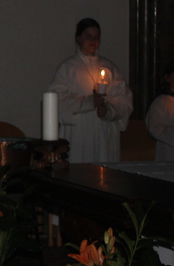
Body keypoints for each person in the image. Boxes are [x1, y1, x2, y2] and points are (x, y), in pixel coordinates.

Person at [48, 18, 133, 163]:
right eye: (89, 36)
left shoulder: (109, 68)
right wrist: (88, 103)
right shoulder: (68, 68)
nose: (93, 40)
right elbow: (57, 101)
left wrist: (108, 111)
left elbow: (124, 100)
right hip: (78, 134)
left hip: (103, 132)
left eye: (97, 37)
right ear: (78, 38)